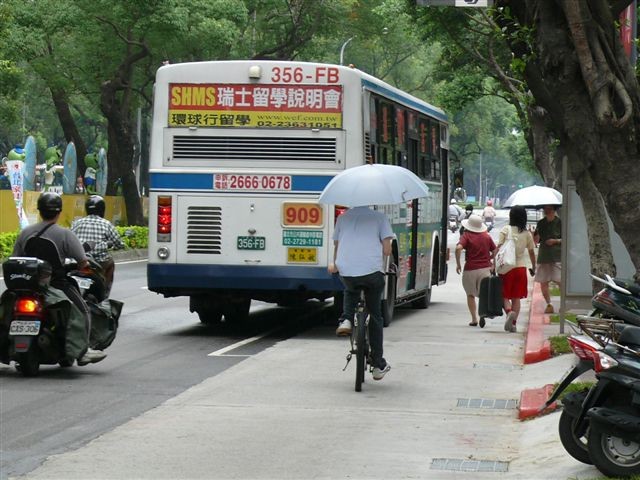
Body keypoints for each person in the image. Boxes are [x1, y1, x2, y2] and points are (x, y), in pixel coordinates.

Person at [11, 192, 106, 365]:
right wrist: (83, 267)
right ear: (59, 212)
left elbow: (15, 258)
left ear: (39, 211)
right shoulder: (65, 234)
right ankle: (83, 351)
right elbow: (83, 263)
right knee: (84, 310)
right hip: (57, 285)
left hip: (28, 287)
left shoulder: (25, 233)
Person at [328, 206, 394, 381]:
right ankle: (378, 364)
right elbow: (387, 250)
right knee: (376, 315)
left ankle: (347, 319)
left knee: (350, 288)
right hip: (372, 272)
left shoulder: (342, 218)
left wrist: (335, 264)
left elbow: (337, 244)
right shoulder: (380, 218)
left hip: (347, 271)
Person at [71, 195, 125, 296]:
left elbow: (70, 238)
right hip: (99, 262)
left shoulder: (77, 223)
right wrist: (116, 245)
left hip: (79, 260)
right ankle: (105, 292)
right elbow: (119, 243)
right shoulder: (106, 224)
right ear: (102, 210)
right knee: (111, 263)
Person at [496, 205, 536, 333]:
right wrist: (533, 267)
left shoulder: (505, 230)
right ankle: (513, 323)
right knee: (516, 297)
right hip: (520, 268)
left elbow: (499, 249)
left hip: (507, 267)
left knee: (504, 295)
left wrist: (493, 263)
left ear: (511, 216)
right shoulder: (527, 233)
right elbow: (531, 253)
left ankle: (508, 312)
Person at [455, 214, 496, 327]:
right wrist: (491, 260)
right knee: (484, 293)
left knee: (470, 294)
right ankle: (483, 313)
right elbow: (495, 249)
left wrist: (458, 264)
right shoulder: (486, 236)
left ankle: (474, 318)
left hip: (470, 270)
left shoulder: (466, 235)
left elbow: (458, 248)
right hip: (485, 269)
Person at [533, 205, 562, 313]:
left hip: (557, 255)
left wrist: (555, 241)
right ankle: (548, 304)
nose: (546, 211)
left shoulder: (560, 223)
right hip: (544, 255)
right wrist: (534, 236)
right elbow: (537, 240)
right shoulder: (541, 223)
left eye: (549, 209)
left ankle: (563, 304)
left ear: (554, 210)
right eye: (545, 209)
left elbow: (567, 238)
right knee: (543, 281)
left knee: (560, 280)